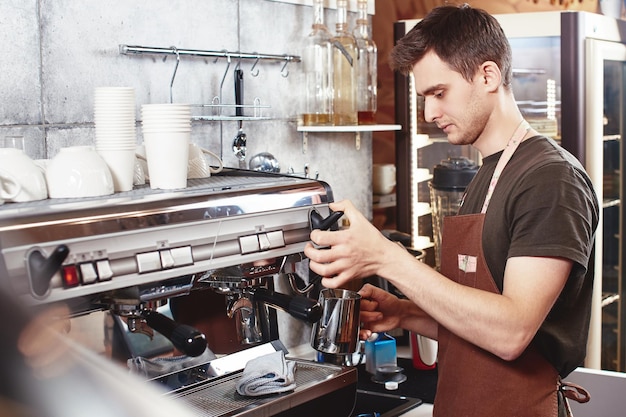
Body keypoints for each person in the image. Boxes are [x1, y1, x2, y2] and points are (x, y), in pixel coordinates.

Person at [304, 4, 599, 416]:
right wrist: (405, 313)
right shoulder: (488, 172)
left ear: (488, 75)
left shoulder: (550, 179)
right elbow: (474, 318)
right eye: (424, 97)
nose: (428, 113)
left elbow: (512, 331)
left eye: (439, 93)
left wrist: (385, 257)